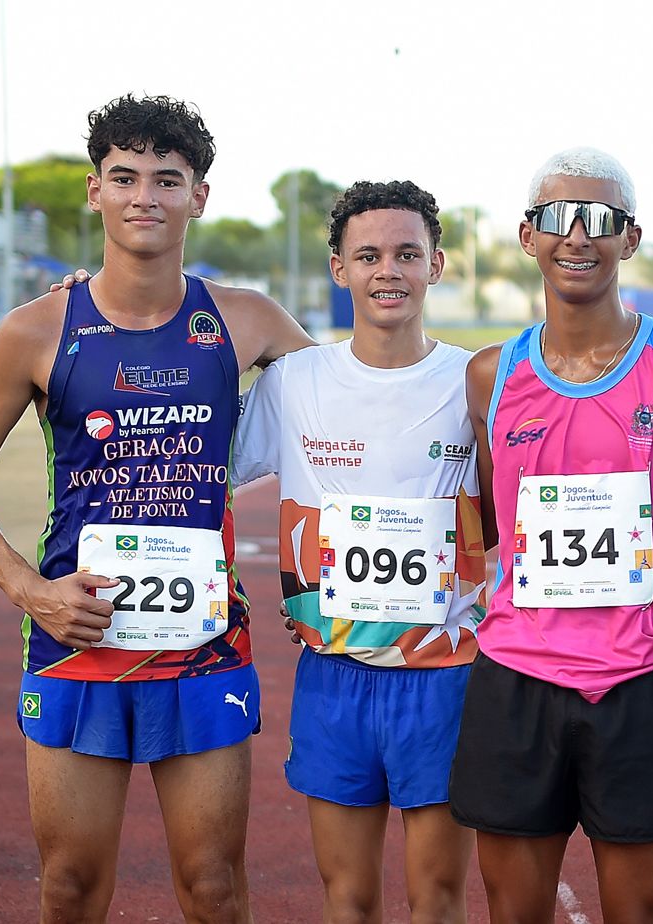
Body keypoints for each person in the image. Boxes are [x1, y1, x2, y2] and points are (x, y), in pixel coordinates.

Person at [0, 93, 312, 923]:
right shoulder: (35, 330)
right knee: (69, 886)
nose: (146, 196)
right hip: (78, 635)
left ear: (198, 196)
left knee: (214, 885)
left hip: (203, 639)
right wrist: (28, 589)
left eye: (167, 180)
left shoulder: (245, 320)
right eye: (125, 177)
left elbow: (354, 405)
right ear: (94, 191)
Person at [449, 147, 653, 923]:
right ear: (528, 236)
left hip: (640, 684)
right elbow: (490, 522)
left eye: (602, 219)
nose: (578, 236)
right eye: (559, 218)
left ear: (632, 237)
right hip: (517, 680)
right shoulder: (492, 375)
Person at [231, 180, 483, 923]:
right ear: (338, 269)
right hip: (333, 676)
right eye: (368, 255)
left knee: (437, 900)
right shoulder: (295, 382)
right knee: (347, 900)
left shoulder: (476, 378)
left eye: (408, 254)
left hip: (443, 676)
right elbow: (197, 465)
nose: (388, 271)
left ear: (436, 265)